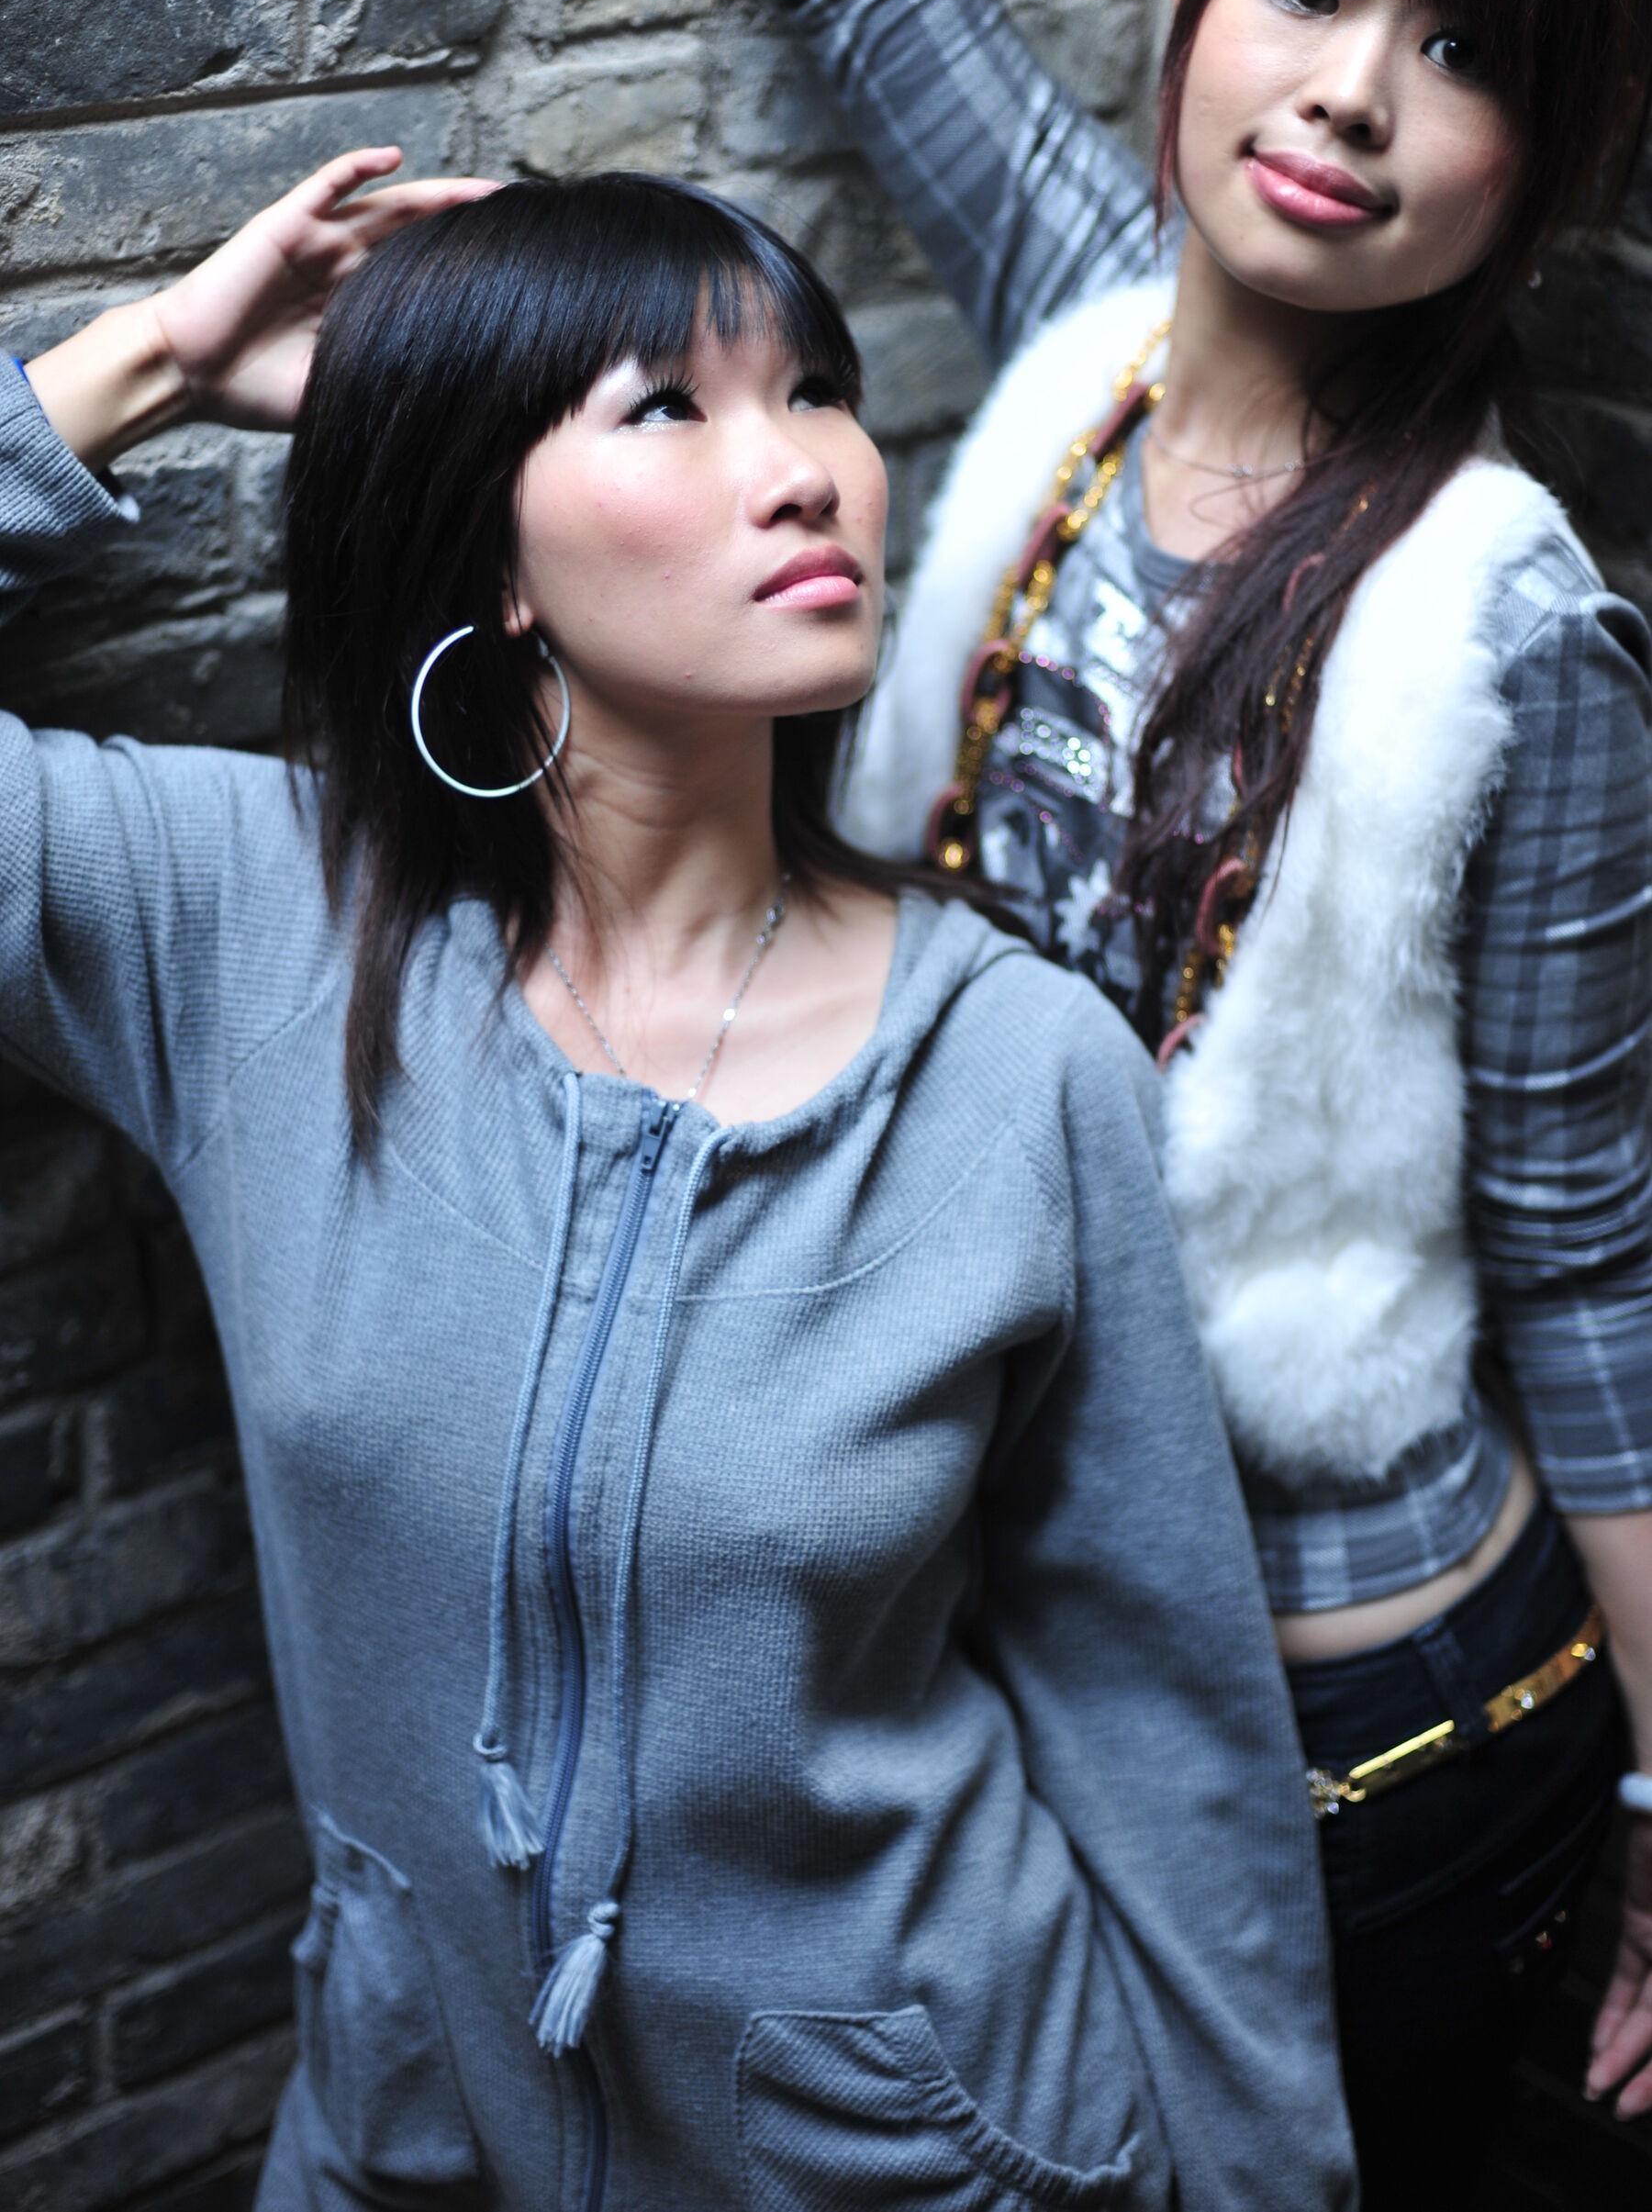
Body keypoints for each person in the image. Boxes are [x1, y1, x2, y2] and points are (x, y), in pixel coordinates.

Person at [2, 153, 1356, 2207]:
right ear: (497, 558)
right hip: (412, 2139)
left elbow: (1169, 1733)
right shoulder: (258, 938)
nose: (807, 469)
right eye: (668, 406)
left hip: (919, 2152)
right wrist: (155, 364)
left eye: (815, 391)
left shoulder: (1018, 1073)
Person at [739, 0, 1652, 2199]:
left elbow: (1585, 1251)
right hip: (991, 1608)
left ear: (1550, 164)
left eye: (1466, 52)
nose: (1351, 94)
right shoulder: (1083, 314)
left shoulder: (1513, 633)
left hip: (1360, 1717)